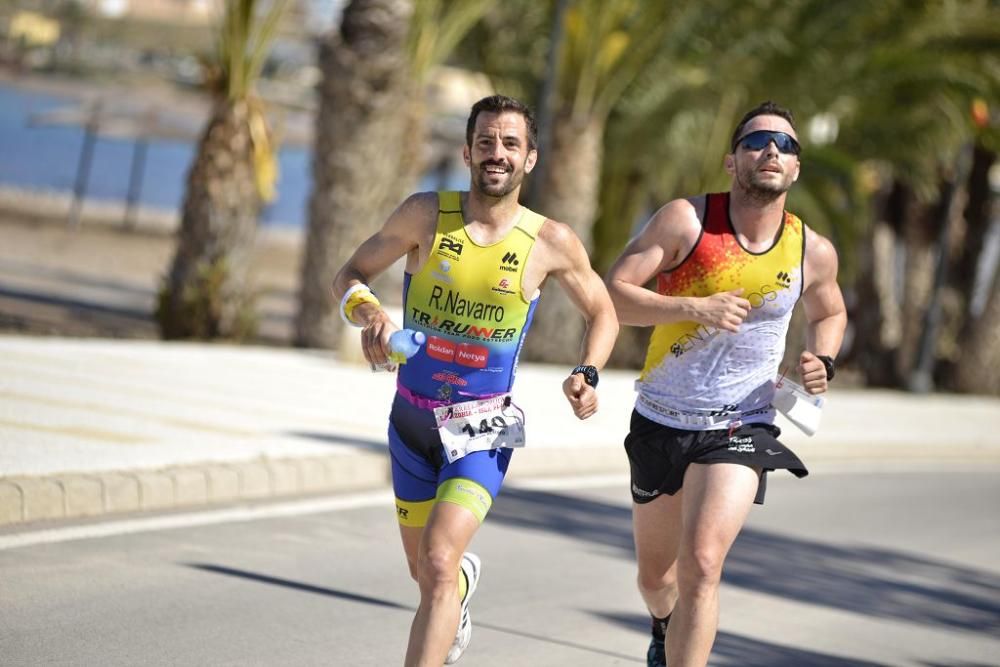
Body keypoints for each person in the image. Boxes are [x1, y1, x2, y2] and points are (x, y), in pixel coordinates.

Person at [333, 94, 619, 666]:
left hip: (482, 429)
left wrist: (588, 371)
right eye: (486, 141)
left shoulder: (550, 241)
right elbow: (351, 273)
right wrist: (370, 313)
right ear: (467, 150)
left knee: (436, 562)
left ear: (530, 159)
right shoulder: (424, 214)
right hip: (411, 421)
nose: (497, 153)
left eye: (511, 143)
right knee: (427, 573)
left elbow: (603, 311)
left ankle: (448, 590)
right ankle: (460, 589)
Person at [604, 101, 848, 667]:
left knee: (703, 563)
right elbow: (613, 294)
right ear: (731, 161)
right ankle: (664, 626)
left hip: (742, 424)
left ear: (796, 170)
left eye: (787, 146)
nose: (772, 151)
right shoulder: (686, 222)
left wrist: (823, 360)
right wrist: (692, 306)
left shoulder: (810, 249)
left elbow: (830, 313)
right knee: (656, 578)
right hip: (662, 418)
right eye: (758, 141)